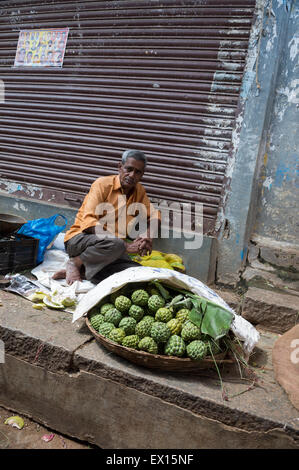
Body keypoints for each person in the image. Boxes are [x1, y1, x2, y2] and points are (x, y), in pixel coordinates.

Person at [53, 150, 161, 285]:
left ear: (142, 175)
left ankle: (84, 272)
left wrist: (148, 235)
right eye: (129, 169)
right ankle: (75, 262)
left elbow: (155, 214)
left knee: (135, 272)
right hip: (80, 240)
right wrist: (124, 245)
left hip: (110, 250)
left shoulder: (139, 191)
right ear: (120, 167)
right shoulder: (102, 184)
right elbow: (89, 222)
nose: (132, 175)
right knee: (115, 244)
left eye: (137, 172)